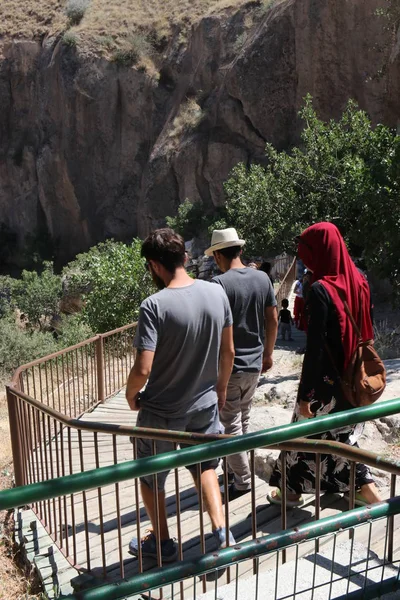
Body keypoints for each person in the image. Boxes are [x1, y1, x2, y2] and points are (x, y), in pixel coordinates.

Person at [126, 228, 236, 562]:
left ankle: (161, 542)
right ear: (185, 258)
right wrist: (219, 389)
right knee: (204, 467)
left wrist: (132, 395)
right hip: (204, 404)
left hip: (159, 414)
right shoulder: (216, 293)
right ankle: (222, 531)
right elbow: (228, 352)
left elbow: (143, 369)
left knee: (151, 477)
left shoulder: (153, 306)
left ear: (154, 266)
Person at [268, 222, 381, 507]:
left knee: (300, 439)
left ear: (319, 250)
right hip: (355, 378)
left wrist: (305, 395)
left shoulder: (320, 289)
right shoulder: (360, 281)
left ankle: (291, 493)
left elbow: (315, 349)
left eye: (305, 250)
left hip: (326, 384)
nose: (302, 256)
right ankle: (362, 491)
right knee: (342, 439)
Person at [205, 228, 278, 501]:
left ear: (219, 255)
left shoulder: (219, 285)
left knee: (228, 424)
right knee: (243, 420)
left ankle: (243, 480)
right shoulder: (262, 278)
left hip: (230, 366)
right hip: (255, 363)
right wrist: (268, 354)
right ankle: (238, 471)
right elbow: (272, 319)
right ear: (240, 250)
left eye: (215, 256)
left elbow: (215, 330)